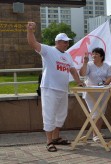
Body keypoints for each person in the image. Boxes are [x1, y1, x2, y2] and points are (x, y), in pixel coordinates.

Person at [26, 22, 83, 152]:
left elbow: (73, 70)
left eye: (68, 42)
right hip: (49, 88)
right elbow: (33, 44)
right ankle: (49, 141)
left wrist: (79, 81)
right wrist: (30, 32)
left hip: (63, 89)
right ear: (57, 42)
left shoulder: (67, 55)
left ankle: (56, 137)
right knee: (49, 114)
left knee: (61, 115)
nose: (67, 44)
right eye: (64, 42)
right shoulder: (48, 50)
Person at [79, 47, 111, 142]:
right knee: (94, 113)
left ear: (101, 56)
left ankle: (98, 132)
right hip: (91, 93)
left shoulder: (106, 65)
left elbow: (110, 76)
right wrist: (85, 62)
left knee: (101, 113)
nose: (94, 56)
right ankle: (95, 134)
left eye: (96, 54)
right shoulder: (89, 65)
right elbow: (82, 74)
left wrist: (106, 83)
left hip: (103, 92)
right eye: (93, 54)